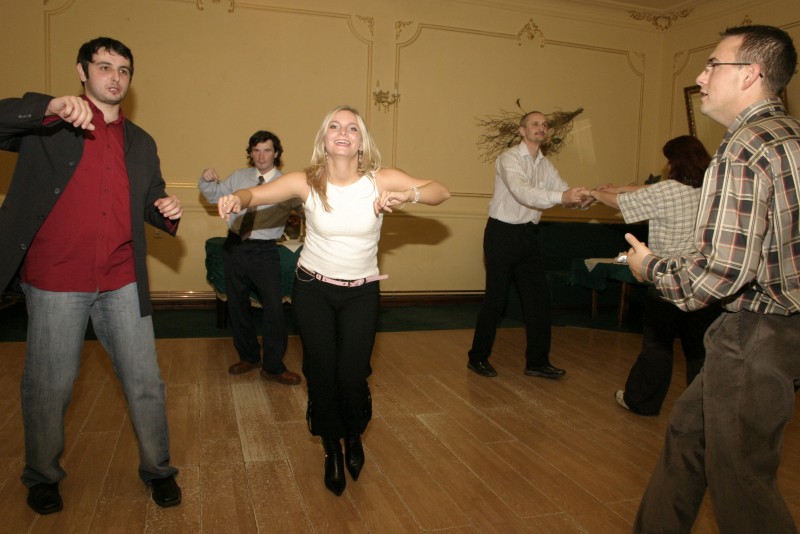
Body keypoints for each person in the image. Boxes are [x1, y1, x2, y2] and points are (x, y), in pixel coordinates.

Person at [217, 105, 450, 496]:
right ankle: (332, 448)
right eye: (335, 126)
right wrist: (235, 199)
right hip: (314, 290)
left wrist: (407, 194)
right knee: (322, 373)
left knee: (352, 375)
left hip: (362, 292)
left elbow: (440, 192)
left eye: (352, 128)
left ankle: (353, 434)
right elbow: (253, 194)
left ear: (362, 141)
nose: (343, 132)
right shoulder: (305, 182)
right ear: (324, 139)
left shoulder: (380, 180)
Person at [625, 25, 800, 532]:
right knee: (688, 437)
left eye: (712, 65)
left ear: (750, 74)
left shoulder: (744, 147)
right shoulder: (790, 136)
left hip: (756, 331)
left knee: (742, 478)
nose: (701, 77)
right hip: (777, 328)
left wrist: (649, 267)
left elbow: (720, 273)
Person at [0, 37, 182, 514]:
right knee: (50, 387)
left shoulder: (141, 142)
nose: (115, 77)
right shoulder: (50, 124)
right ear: (82, 71)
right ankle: (42, 475)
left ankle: (159, 470)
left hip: (121, 279)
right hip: (56, 279)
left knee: (145, 383)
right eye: (104, 67)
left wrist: (164, 208)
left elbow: (151, 195)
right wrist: (47, 107)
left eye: (123, 70)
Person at [589, 136, 722, 416]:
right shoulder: (712, 187)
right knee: (699, 350)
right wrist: (616, 187)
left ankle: (641, 402)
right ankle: (703, 409)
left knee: (657, 347)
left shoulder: (668, 191)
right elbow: (649, 190)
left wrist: (595, 193)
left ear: (675, 162)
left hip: (667, 280)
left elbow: (623, 203)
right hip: (702, 280)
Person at [467, 110, 590, 379]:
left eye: (544, 124)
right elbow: (523, 192)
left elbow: (563, 193)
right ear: (522, 130)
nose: (541, 127)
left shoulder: (545, 165)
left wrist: (587, 198)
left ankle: (537, 362)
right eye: (535, 124)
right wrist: (563, 196)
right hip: (502, 234)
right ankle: (477, 357)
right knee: (496, 299)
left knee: (539, 300)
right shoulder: (508, 158)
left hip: (529, 236)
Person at [198, 131, 302, 385]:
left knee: (274, 309)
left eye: (267, 150)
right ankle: (248, 356)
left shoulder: (287, 183)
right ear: (250, 153)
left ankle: (273, 366)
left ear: (276, 153)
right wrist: (206, 179)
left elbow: (307, 210)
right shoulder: (239, 177)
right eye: (256, 151)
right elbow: (213, 196)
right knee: (237, 305)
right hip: (234, 246)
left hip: (264, 251)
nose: (261, 156)